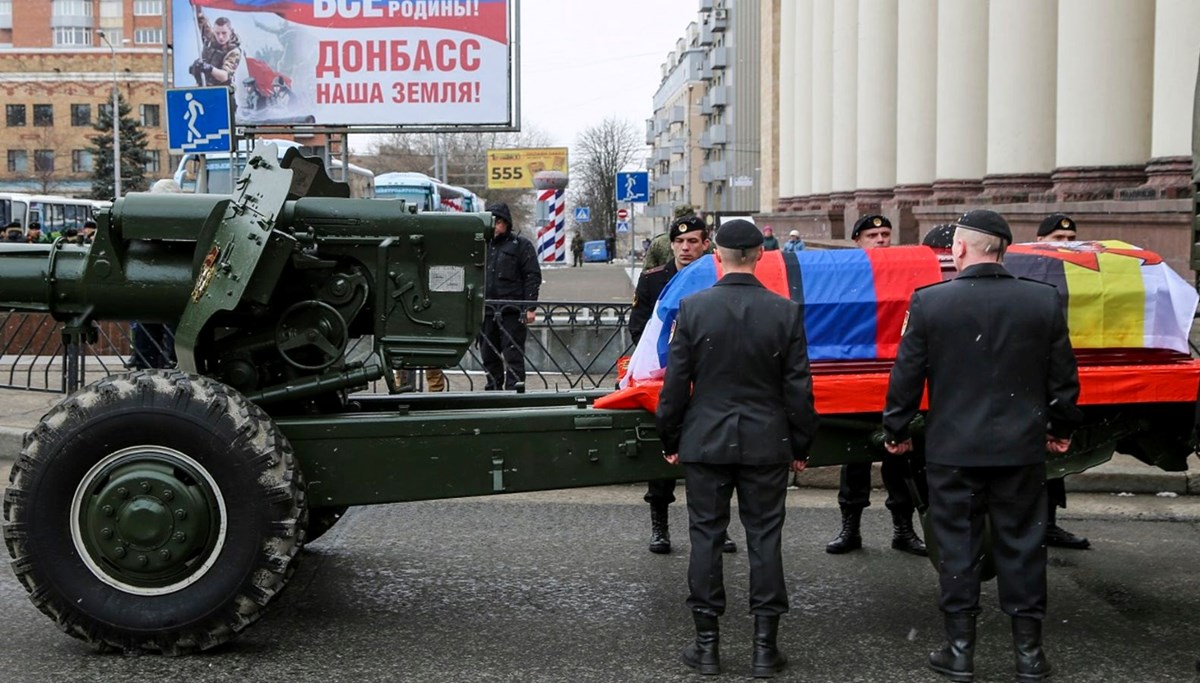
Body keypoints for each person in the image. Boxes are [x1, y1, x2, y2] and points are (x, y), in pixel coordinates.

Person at [883, 209, 1082, 683]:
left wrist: (895, 430)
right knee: (1023, 545)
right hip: (1020, 448)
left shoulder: (931, 303)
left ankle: (960, 651)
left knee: (958, 548)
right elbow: (1063, 379)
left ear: (959, 249)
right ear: (1004, 250)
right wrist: (1060, 427)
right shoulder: (1042, 301)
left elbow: (906, 379)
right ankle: (1029, 656)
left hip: (955, 450)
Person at [657, 219, 818, 678]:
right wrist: (801, 444)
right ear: (761, 256)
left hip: (706, 440)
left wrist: (671, 438)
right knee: (765, 539)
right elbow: (799, 391)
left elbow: (675, 386)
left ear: (717, 256)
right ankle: (765, 650)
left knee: (706, 538)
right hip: (767, 441)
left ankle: (706, 647)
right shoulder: (785, 312)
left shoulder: (693, 308)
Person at [629, 216, 735, 556]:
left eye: (693, 242)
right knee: (663, 454)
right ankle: (659, 527)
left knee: (716, 458)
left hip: (711, 378)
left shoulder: (718, 276)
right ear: (671, 244)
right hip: (665, 378)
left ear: (706, 245)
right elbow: (640, 329)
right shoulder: (653, 280)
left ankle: (720, 527)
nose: (685, 248)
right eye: (680, 242)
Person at [826, 213, 928, 557]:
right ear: (858, 241)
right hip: (856, 379)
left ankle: (904, 529)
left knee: (900, 459)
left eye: (885, 233)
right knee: (854, 459)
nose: (881, 239)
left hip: (894, 380)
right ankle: (849, 529)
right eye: (873, 234)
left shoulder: (902, 273)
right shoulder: (843, 276)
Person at [1035, 213, 1089, 550]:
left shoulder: (1085, 271)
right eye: (1058, 239)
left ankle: (1049, 522)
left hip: (1063, 371)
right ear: (1040, 241)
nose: (1066, 245)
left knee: (1054, 461)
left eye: (1070, 240)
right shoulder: (1029, 273)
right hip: (1034, 374)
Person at [480, 202, 541, 391]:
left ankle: (515, 390)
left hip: (512, 310)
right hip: (486, 309)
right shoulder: (481, 244)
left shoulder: (520, 245)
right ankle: (493, 387)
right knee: (488, 353)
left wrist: (530, 307)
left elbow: (532, 276)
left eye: (499, 222)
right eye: (491, 222)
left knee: (513, 353)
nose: (495, 226)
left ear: (506, 223)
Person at [191, 7, 242, 89]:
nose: (220, 37)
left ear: (231, 32)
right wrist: (198, 7)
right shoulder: (211, 38)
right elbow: (201, 20)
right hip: (203, 87)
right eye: (217, 33)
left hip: (221, 90)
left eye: (224, 33)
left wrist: (209, 68)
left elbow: (224, 76)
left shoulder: (234, 51)